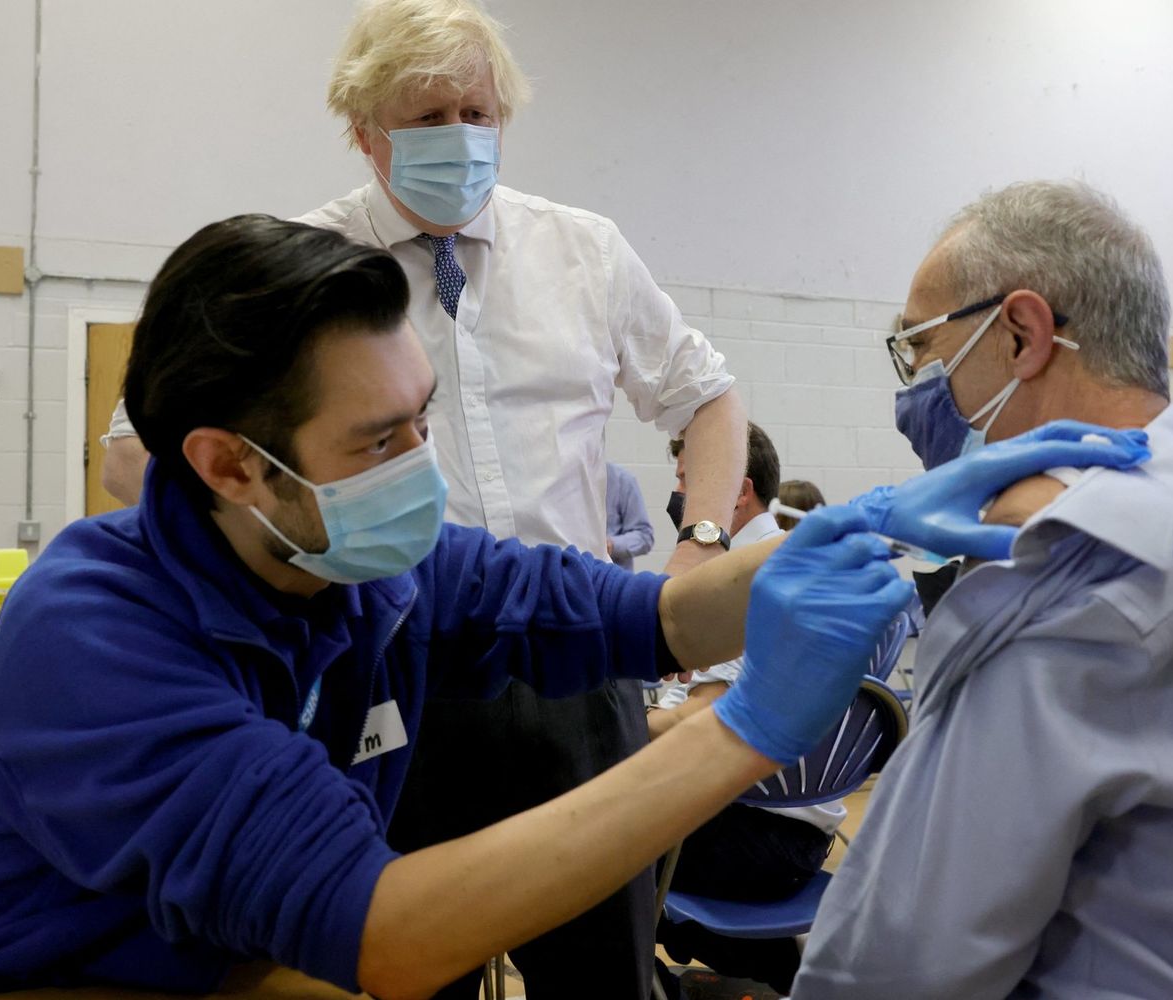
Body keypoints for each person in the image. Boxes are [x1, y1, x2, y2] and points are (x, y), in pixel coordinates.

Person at [0, 215, 1145, 999]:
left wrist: (851, 531)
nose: (419, 463)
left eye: (420, 415)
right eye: (378, 438)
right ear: (230, 464)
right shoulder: (96, 638)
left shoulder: (371, 569)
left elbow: (645, 619)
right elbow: (390, 931)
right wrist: (746, 730)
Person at [100, 3, 748, 995]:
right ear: (364, 131)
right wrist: (296, 551)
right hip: (385, 670)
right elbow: (132, 457)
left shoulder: (584, 252)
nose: (459, 137)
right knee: (395, 963)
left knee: (605, 972)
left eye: (476, 111)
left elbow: (706, 398)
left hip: (569, 660)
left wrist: (700, 543)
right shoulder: (298, 270)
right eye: (427, 116)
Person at [791, 180, 1173, 998]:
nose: (912, 391)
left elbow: (894, 968)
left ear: (1021, 333)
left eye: (919, 350)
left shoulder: (1064, 599)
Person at [650, 424, 833, 997]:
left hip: (755, 835)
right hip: (793, 834)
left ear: (738, 490)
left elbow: (699, 722)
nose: (680, 495)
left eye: (687, 481)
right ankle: (775, 972)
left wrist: (605, 725)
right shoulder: (775, 559)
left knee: (575, 849)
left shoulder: (751, 575)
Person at [606, 462, 654, 571]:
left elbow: (644, 536)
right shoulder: (562, 480)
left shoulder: (622, 480)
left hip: (613, 580)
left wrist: (611, 544)